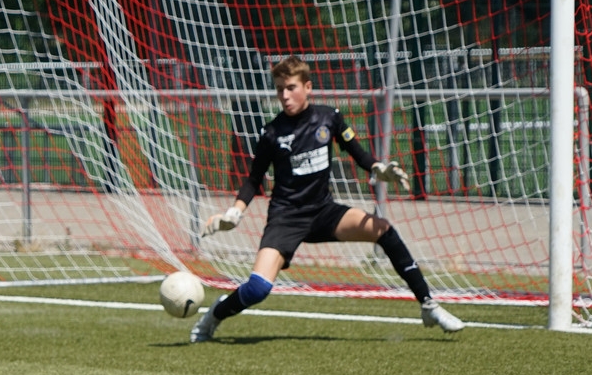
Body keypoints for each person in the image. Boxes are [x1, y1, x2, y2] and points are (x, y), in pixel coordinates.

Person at [191, 55, 464, 343]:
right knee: (257, 289)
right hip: (286, 218)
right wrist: (235, 212)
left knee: (382, 229)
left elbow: (357, 152)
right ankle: (213, 316)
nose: (285, 95)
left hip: (323, 211)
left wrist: (378, 168)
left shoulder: (329, 117)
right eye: (280, 89)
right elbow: (253, 179)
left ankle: (428, 305)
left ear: (308, 87)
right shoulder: (272, 132)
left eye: (291, 87)